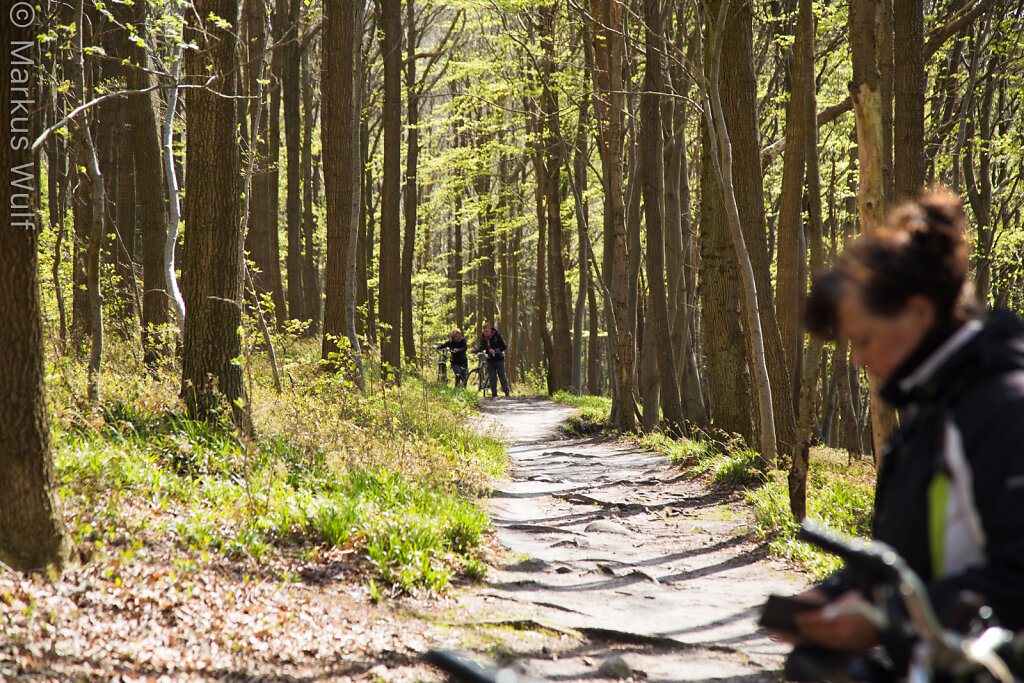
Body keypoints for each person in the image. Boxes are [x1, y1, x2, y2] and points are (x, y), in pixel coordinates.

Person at [780, 191, 1024, 675]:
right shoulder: (934, 406)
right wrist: (835, 595)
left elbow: (1017, 578)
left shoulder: (1002, 409)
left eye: (864, 339)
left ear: (918, 312)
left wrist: (883, 620)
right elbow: (910, 559)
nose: (859, 359)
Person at [472, 323, 510, 397]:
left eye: (487, 331)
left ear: (490, 330)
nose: (485, 333)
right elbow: (482, 347)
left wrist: (495, 351)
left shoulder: (497, 334)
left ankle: (506, 392)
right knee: (492, 377)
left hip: (499, 358)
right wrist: (476, 350)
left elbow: (503, 346)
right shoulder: (483, 337)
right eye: (484, 331)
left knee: (502, 376)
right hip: (490, 359)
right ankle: (494, 394)